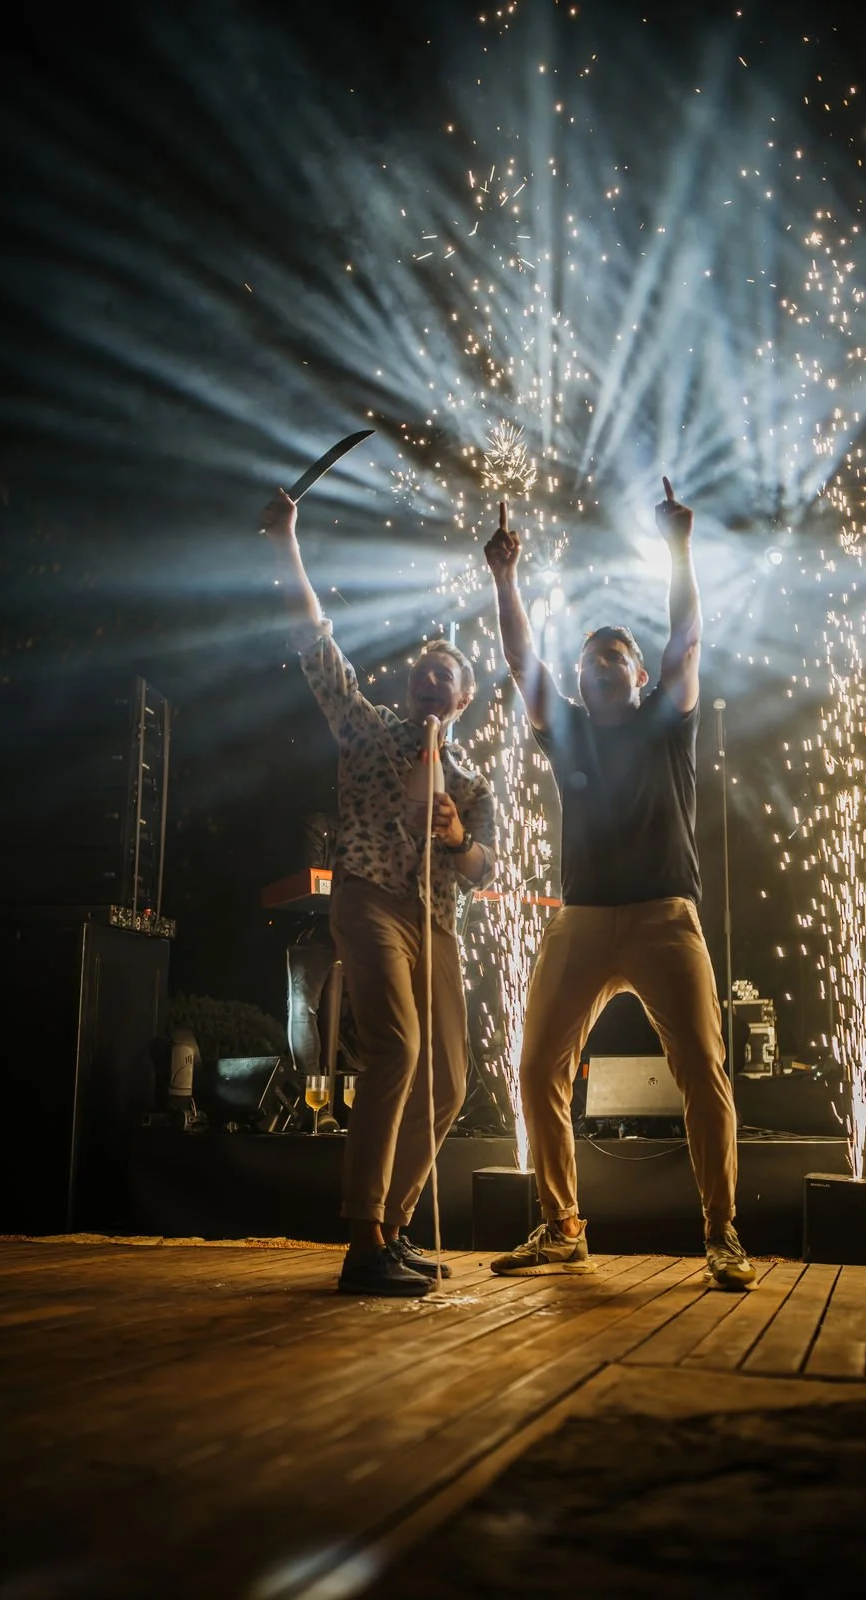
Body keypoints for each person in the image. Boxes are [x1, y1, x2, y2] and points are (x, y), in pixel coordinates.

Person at [483, 482, 756, 1290]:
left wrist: (678, 547)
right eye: (589, 659)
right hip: (582, 920)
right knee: (536, 1069)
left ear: (638, 678)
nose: (599, 665)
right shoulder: (562, 724)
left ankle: (720, 1231)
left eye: (614, 657)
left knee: (702, 1069)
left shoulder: (665, 720)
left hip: (665, 917)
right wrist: (504, 578)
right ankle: (563, 1226)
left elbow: (688, 636)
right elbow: (518, 660)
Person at [262, 488, 498, 1296]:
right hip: (367, 900)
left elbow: (484, 870)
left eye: (445, 678)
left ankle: (392, 1231)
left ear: (462, 699)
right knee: (396, 1049)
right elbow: (314, 641)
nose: (430, 683)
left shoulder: (467, 782)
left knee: (451, 1080)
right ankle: (361, 1238)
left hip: (434, 920)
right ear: (411, 688)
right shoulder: (364, 729)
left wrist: (456, 838)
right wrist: (288, 540)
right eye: (422, 674)